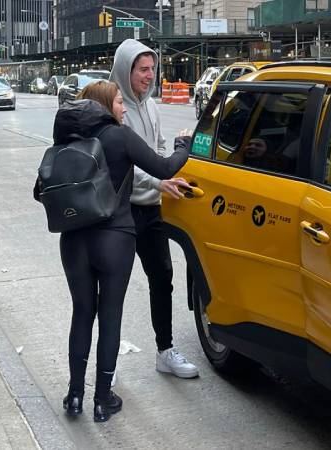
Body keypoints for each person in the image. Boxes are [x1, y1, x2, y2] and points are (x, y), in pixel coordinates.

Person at [36, 80, 191, 422]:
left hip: (73, 240)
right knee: (110, 317)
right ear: (106, 105)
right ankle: (103, 399)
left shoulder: (67, 141)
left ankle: (74, 395)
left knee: (81, 313)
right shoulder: (118, 136)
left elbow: (41, 190)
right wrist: (184, 144)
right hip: (115, 238)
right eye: (120, 102)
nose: (123, 108)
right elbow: (165, 168)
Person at [109, 39, 199, 378]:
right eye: (142, 69)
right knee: (113, 287)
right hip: (121, 213)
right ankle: (109, 364)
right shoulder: (114, 109)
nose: (150, 76)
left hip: (151, 210)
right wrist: (158, 181)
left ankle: (165, 351)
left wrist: (161, 183)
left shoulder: (151, 106)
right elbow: (122, 168)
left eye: (152, 69)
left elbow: (158, 154)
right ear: (125, 70)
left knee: (163, 279)